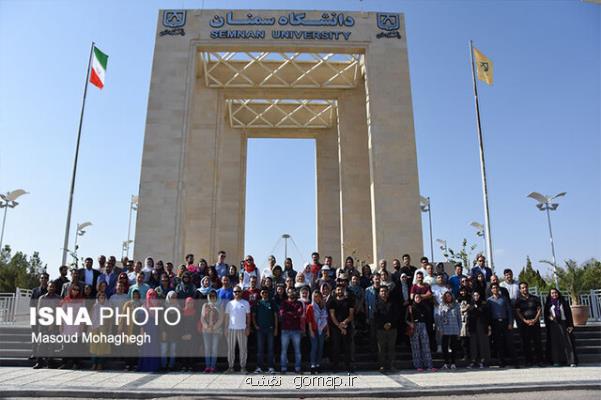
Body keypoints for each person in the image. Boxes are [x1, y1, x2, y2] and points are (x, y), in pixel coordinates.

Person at [544, 288, 577, 367]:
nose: (554, 294)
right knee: (555, 344)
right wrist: (549, 318)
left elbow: (568, 314)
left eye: (555, 293)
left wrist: (570, 325)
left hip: (563, 324)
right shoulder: (548, 304)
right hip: (553, 325)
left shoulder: (563, 302)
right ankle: (556, 361)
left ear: (558, 293)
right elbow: (546, 315)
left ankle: (571, 361)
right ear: (550, 295)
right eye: (552, 293)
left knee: (567, 342)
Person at [514, 282, 544, 367]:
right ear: (520, 289)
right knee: (526, 343)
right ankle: (528, 361)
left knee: (537, 342)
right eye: (522, 288)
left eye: (525, 287)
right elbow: (518, 312)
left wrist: (535, 320)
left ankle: (540, 361)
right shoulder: (518, 300)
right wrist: (524, 320)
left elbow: (539, 309)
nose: (524, 289)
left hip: (535, 323)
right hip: (524, 324)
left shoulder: (535, 298)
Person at [32, 281, 61, 369]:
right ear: (47, 287)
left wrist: (53, 322)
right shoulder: (42, 298)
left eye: (53, 287)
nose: (51, 288)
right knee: (41, 343)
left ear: (55, 288)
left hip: (54, 324)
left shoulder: (58, 298)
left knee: (52, 343)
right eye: (50, 286)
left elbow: (59, 312)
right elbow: (39, 311)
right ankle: (39, 362)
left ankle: (50, 362)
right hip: (43, 323)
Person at [327, 285, 355, 373]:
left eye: (341, 289)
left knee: (347, 347)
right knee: (336, 347)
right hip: (335, 328)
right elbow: (332, 315)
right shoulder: (332, 301)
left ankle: (348, 366)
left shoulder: (349, 300)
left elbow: (351, 315)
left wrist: (344, 323)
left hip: (347, 326)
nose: (340, 291)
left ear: (344, 290)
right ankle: (335, 366)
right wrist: (340, 326)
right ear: (335, 291)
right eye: (338, 290)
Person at [487, 283, 516, 367]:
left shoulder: (504, 298)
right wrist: (489, 325)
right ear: (491, 290)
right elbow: (488, 314)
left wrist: (510, 323)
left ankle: (514, 362)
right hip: (495, 323)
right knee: (499, 343)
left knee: (509, 342)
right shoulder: (489, 300)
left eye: (496, 287)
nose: (495, 289)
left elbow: (509, 311)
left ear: (498, 289)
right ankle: (501, 362)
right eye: (493, 288)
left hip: (505, 322)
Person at [224, 286, 251, 373]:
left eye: (238, 291)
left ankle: (243, 367)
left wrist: (248, 327)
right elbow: (227, 317)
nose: (237, 293)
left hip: (242, 329)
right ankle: (230, 367)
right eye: (235, 292)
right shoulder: (230, 304)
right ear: (233, 293)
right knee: (230, 349)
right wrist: (225, 328)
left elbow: (248, 316)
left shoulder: (246, 303)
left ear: (241, 292)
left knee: (243, 349)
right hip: (231, 329)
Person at [406, 294, 436, 372]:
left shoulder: (424, 307)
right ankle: (418, 365)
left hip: (423, 325)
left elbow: (428, 317)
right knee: (415, 346)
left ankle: (429, 365)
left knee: (425, 345)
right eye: (416, 297)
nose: (418, 299)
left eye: (419, 297)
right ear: (414, 299)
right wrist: (410, 324)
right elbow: (405, 319)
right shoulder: (410, 308)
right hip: (414, 326)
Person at [279, 287, 304, 373]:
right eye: (289, 292)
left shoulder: (299, 303)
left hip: (296, 330)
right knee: (284, 350)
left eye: (293, 292)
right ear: (287, 293)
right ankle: (283, 368)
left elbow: (300, 313)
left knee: (298, 350)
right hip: (285, 330)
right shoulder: (284, 303)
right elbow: (282, 314)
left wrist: (289, 313)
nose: (291, 293)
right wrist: (294, 314)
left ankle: (297, 368)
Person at [253, 287, 278, 374]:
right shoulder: (258, 303)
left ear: (268, 293)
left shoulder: (272, 302)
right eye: (263, 292)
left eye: (266, 292)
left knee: (270, 349)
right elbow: (253, 315)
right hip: (260, 329)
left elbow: (275, 316)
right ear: (260, 294)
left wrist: (276, 328)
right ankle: (259, 367)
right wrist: (255, 325)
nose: (264, 294)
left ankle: (270, 367)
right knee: (260, 349)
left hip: (270, 329)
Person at [374, 286, 399, 371]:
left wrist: (390, 324)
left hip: (392, 328)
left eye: (385, 291)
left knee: (391, 347)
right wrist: (383, 324)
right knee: (381, 348)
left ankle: (392, 365)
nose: (383, 293)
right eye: (381, 291)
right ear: (379, 293)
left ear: (388, 293)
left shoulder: (393, 303)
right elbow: (376, 317)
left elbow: (396, 315)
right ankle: (382, 365)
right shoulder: (376, 304)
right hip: (381, 329)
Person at [137, 289, 161, 372]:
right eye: (150, 295)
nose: (152, 296)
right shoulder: (143, 306)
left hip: (155, 330)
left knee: (154, 348)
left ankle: (154, 367)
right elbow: (141, 321)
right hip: (146, 329)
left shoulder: (158, 305)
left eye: (154, 295)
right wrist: (142, 331)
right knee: (146, 348)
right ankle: (146, 366)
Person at [437, 291, 461, 369]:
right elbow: (439, 318)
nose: (448, 297)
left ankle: (453, 363)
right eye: (446, 296)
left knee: (454, 346)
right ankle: (446, 363)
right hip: (445, 328)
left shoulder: (456, 305)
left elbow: (459, 318)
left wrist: (459, 328)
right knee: (444, 346)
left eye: (449, 296)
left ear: (452, 296)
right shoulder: (441, 305)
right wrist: (440, 328)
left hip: (454, 328)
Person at [201, 290, 224, 373]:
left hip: (216, 331)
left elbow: (221, 319)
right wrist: (207, 327)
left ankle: (213, 367)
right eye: (211, 296)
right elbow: (202, 318)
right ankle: (207, 366)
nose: (212, 297)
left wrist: (213, 327)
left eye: (214, 296)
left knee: (214, 349)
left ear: (216, 297)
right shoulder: (205, 305)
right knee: (207, 349)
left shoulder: (220, 306)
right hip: (206, 330)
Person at [466, 291, 491, 368]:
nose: (476, 296)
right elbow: (469, 317)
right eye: (474, 295)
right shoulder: (470, 305)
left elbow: (487, 316)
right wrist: (468, 328)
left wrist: (489, 327)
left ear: (479, 295)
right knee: (473, 344)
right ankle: (474, 361)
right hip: (473, 326)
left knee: (483, 344)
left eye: (477, 295)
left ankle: (483, 361)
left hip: (482, 326)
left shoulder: (484, 304)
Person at [306, 290, 328, 374]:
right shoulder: (310, 307)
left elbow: (326, 319)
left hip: (321, 330)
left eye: (318, 296)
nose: (317, 298)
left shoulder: (323, 306)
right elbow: (309, 321)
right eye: (315, 296)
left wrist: (327, 330)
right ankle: (313, 365)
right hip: (313, 330)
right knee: (314, 347)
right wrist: (311, 331)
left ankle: (318, 364)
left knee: (320, 347)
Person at [90, 291, 111, 370]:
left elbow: (109, 320)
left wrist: (108, 329)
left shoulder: (108, 307)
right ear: (98, 298)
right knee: (94, 347)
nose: (102, 297)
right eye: (100, 296)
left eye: (103, 296)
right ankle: (94, 363)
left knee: (102, 347)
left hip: (104, 329)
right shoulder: (94, 306)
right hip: (95, 329)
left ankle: (100, 364)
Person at [160, 291, 179, 371]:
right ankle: (163, 366)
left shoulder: (178, 307)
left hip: (174, 332)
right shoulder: (164, 307)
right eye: (172, 297)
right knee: (164, 350)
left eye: (175, 297)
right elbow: (161, 321)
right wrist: (163, 331)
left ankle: (171, 366)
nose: (173, 299)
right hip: (165, 332)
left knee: (173, 351)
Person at [179, 296, 198, 371]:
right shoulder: (182, 312)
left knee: (191, 351)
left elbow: (196, 325)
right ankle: (184, 366)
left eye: (191, 303)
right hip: (183, 335)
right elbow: (179, 325)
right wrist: (182, 335)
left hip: (192, 335)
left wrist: (191, 335)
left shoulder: (195, 313)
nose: (190, 304)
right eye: (188, 303)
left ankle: (191, 366)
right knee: (184, 351)